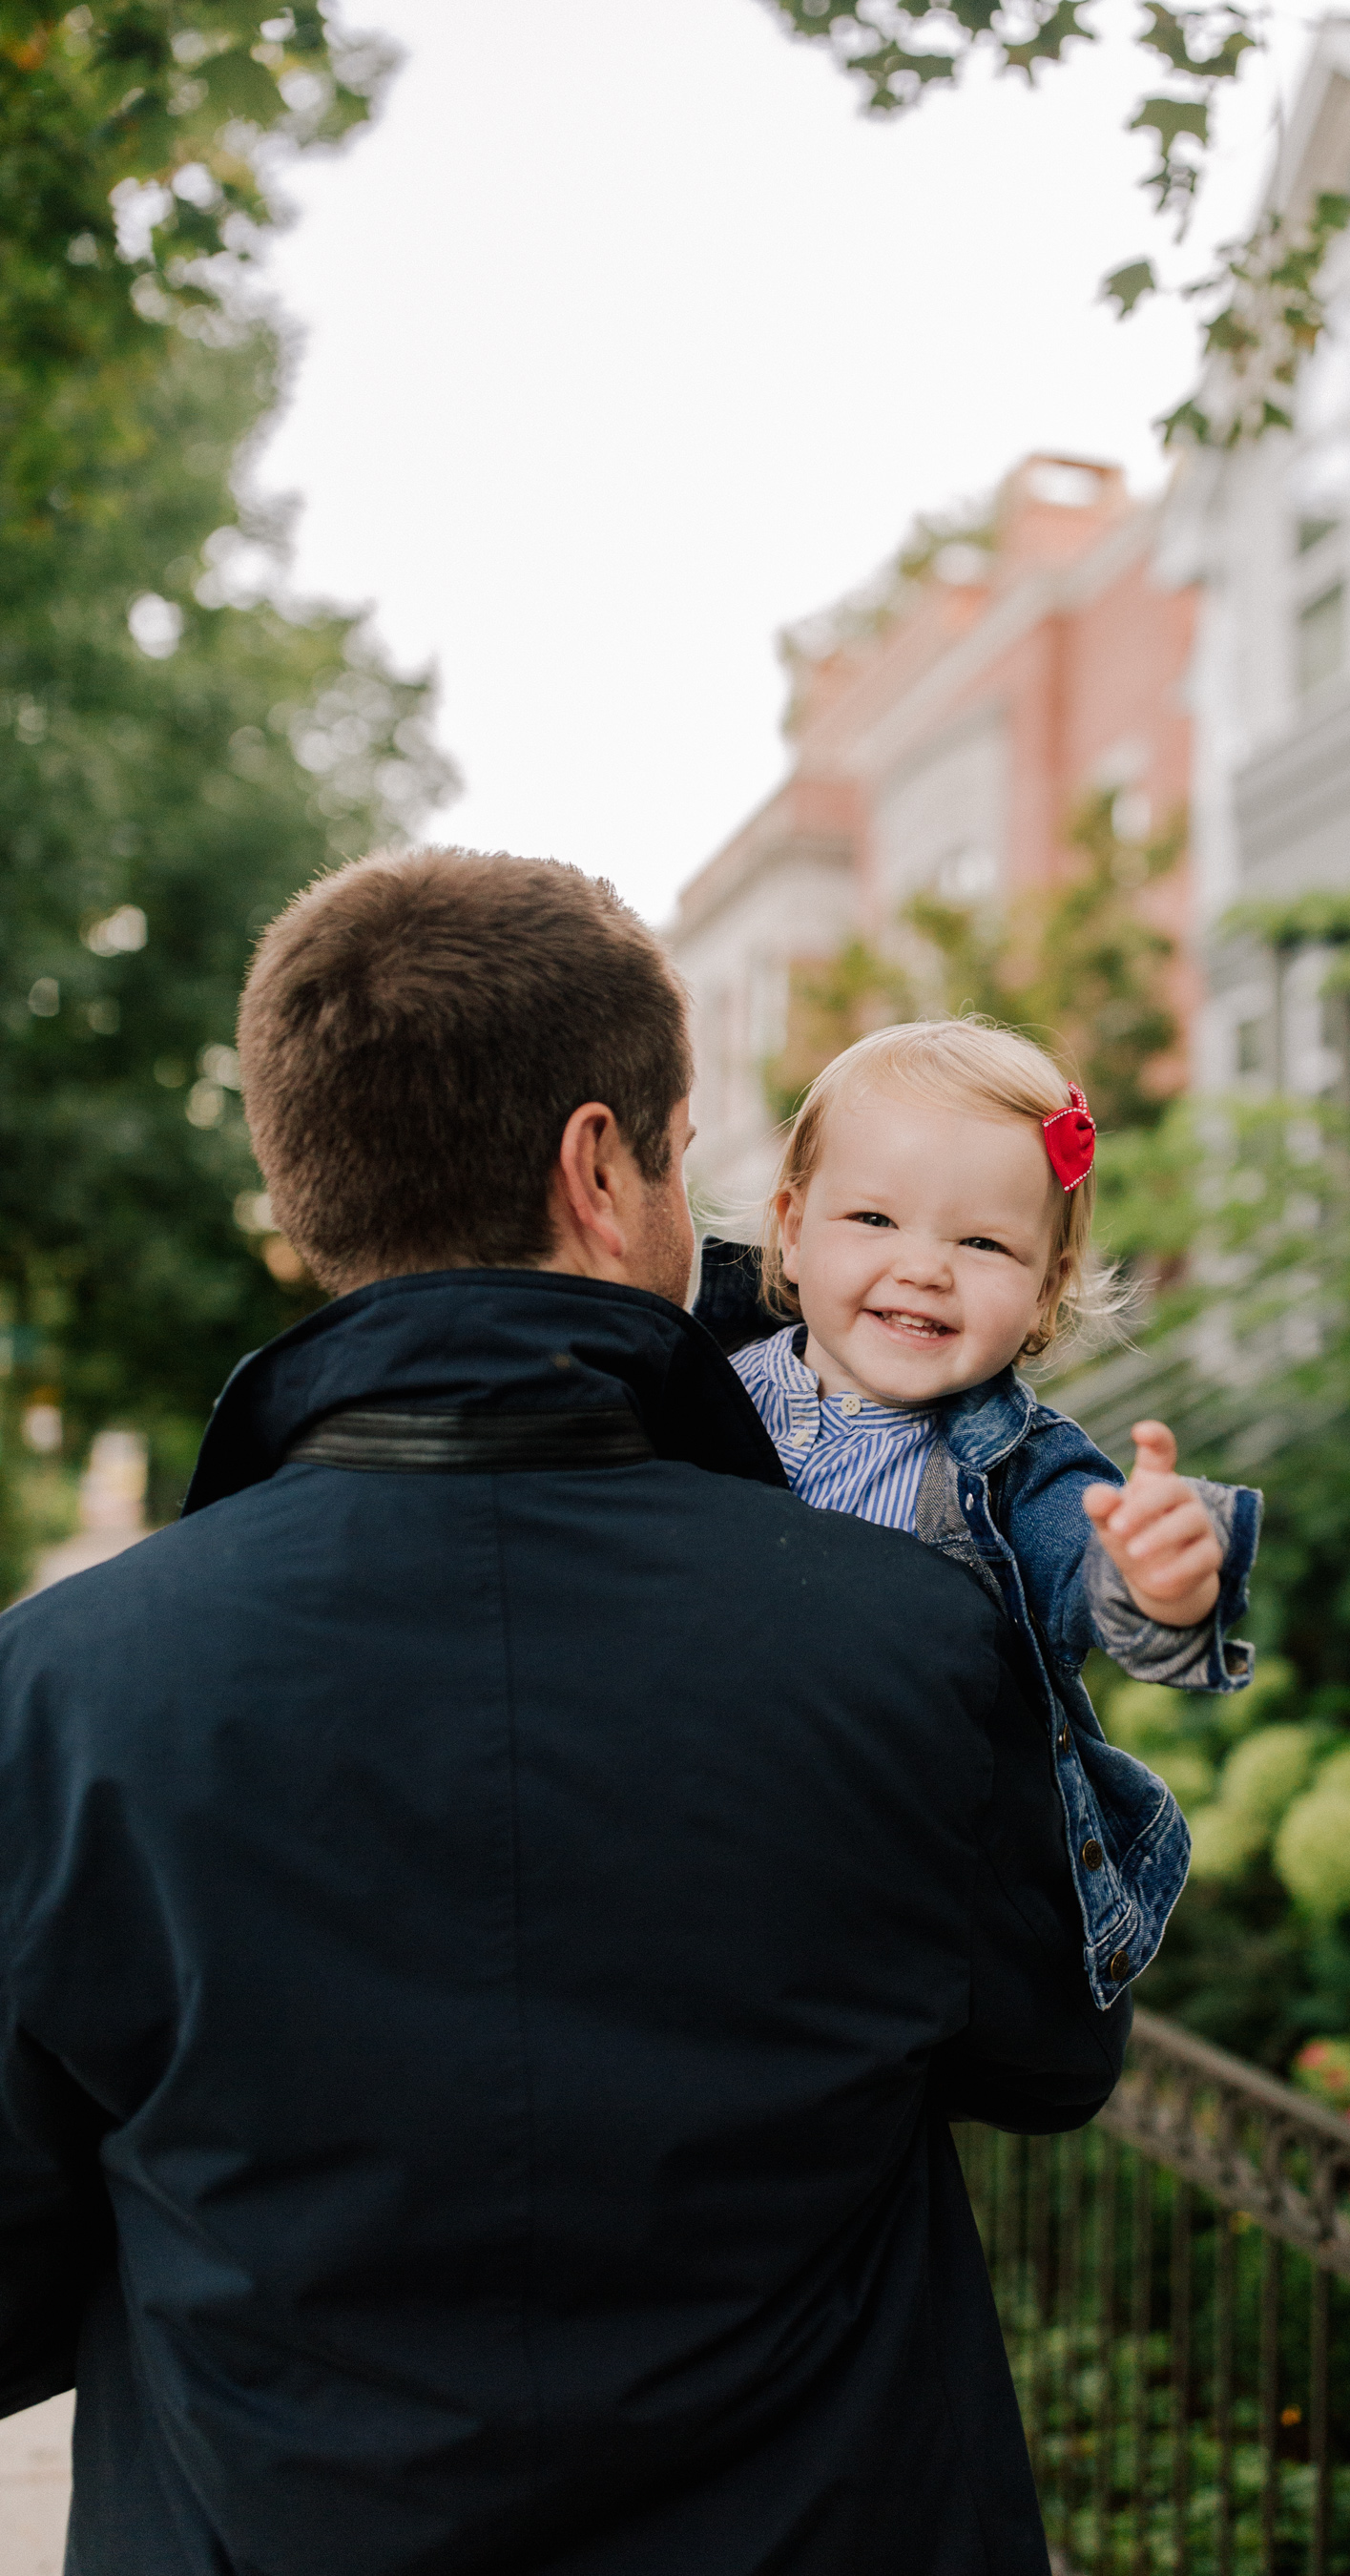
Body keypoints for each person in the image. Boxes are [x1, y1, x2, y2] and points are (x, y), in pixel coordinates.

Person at [1, 847, 1136, 2576]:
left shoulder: (60, 1686)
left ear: (308, 1188)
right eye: (689, 1153)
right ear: (601, 1167)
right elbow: (1051, 2057)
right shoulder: (910, 1636)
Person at [696, 1020, 1260, 2009]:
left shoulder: (1020, 1472)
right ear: (790, 1226)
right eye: (874, 1219)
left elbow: (1084, 1571)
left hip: (881, 1912)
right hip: (691, 1851)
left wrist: (1156, 1580)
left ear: (1046, 1290)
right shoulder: (693, 1394)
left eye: (983, 1242)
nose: (925, 1266)